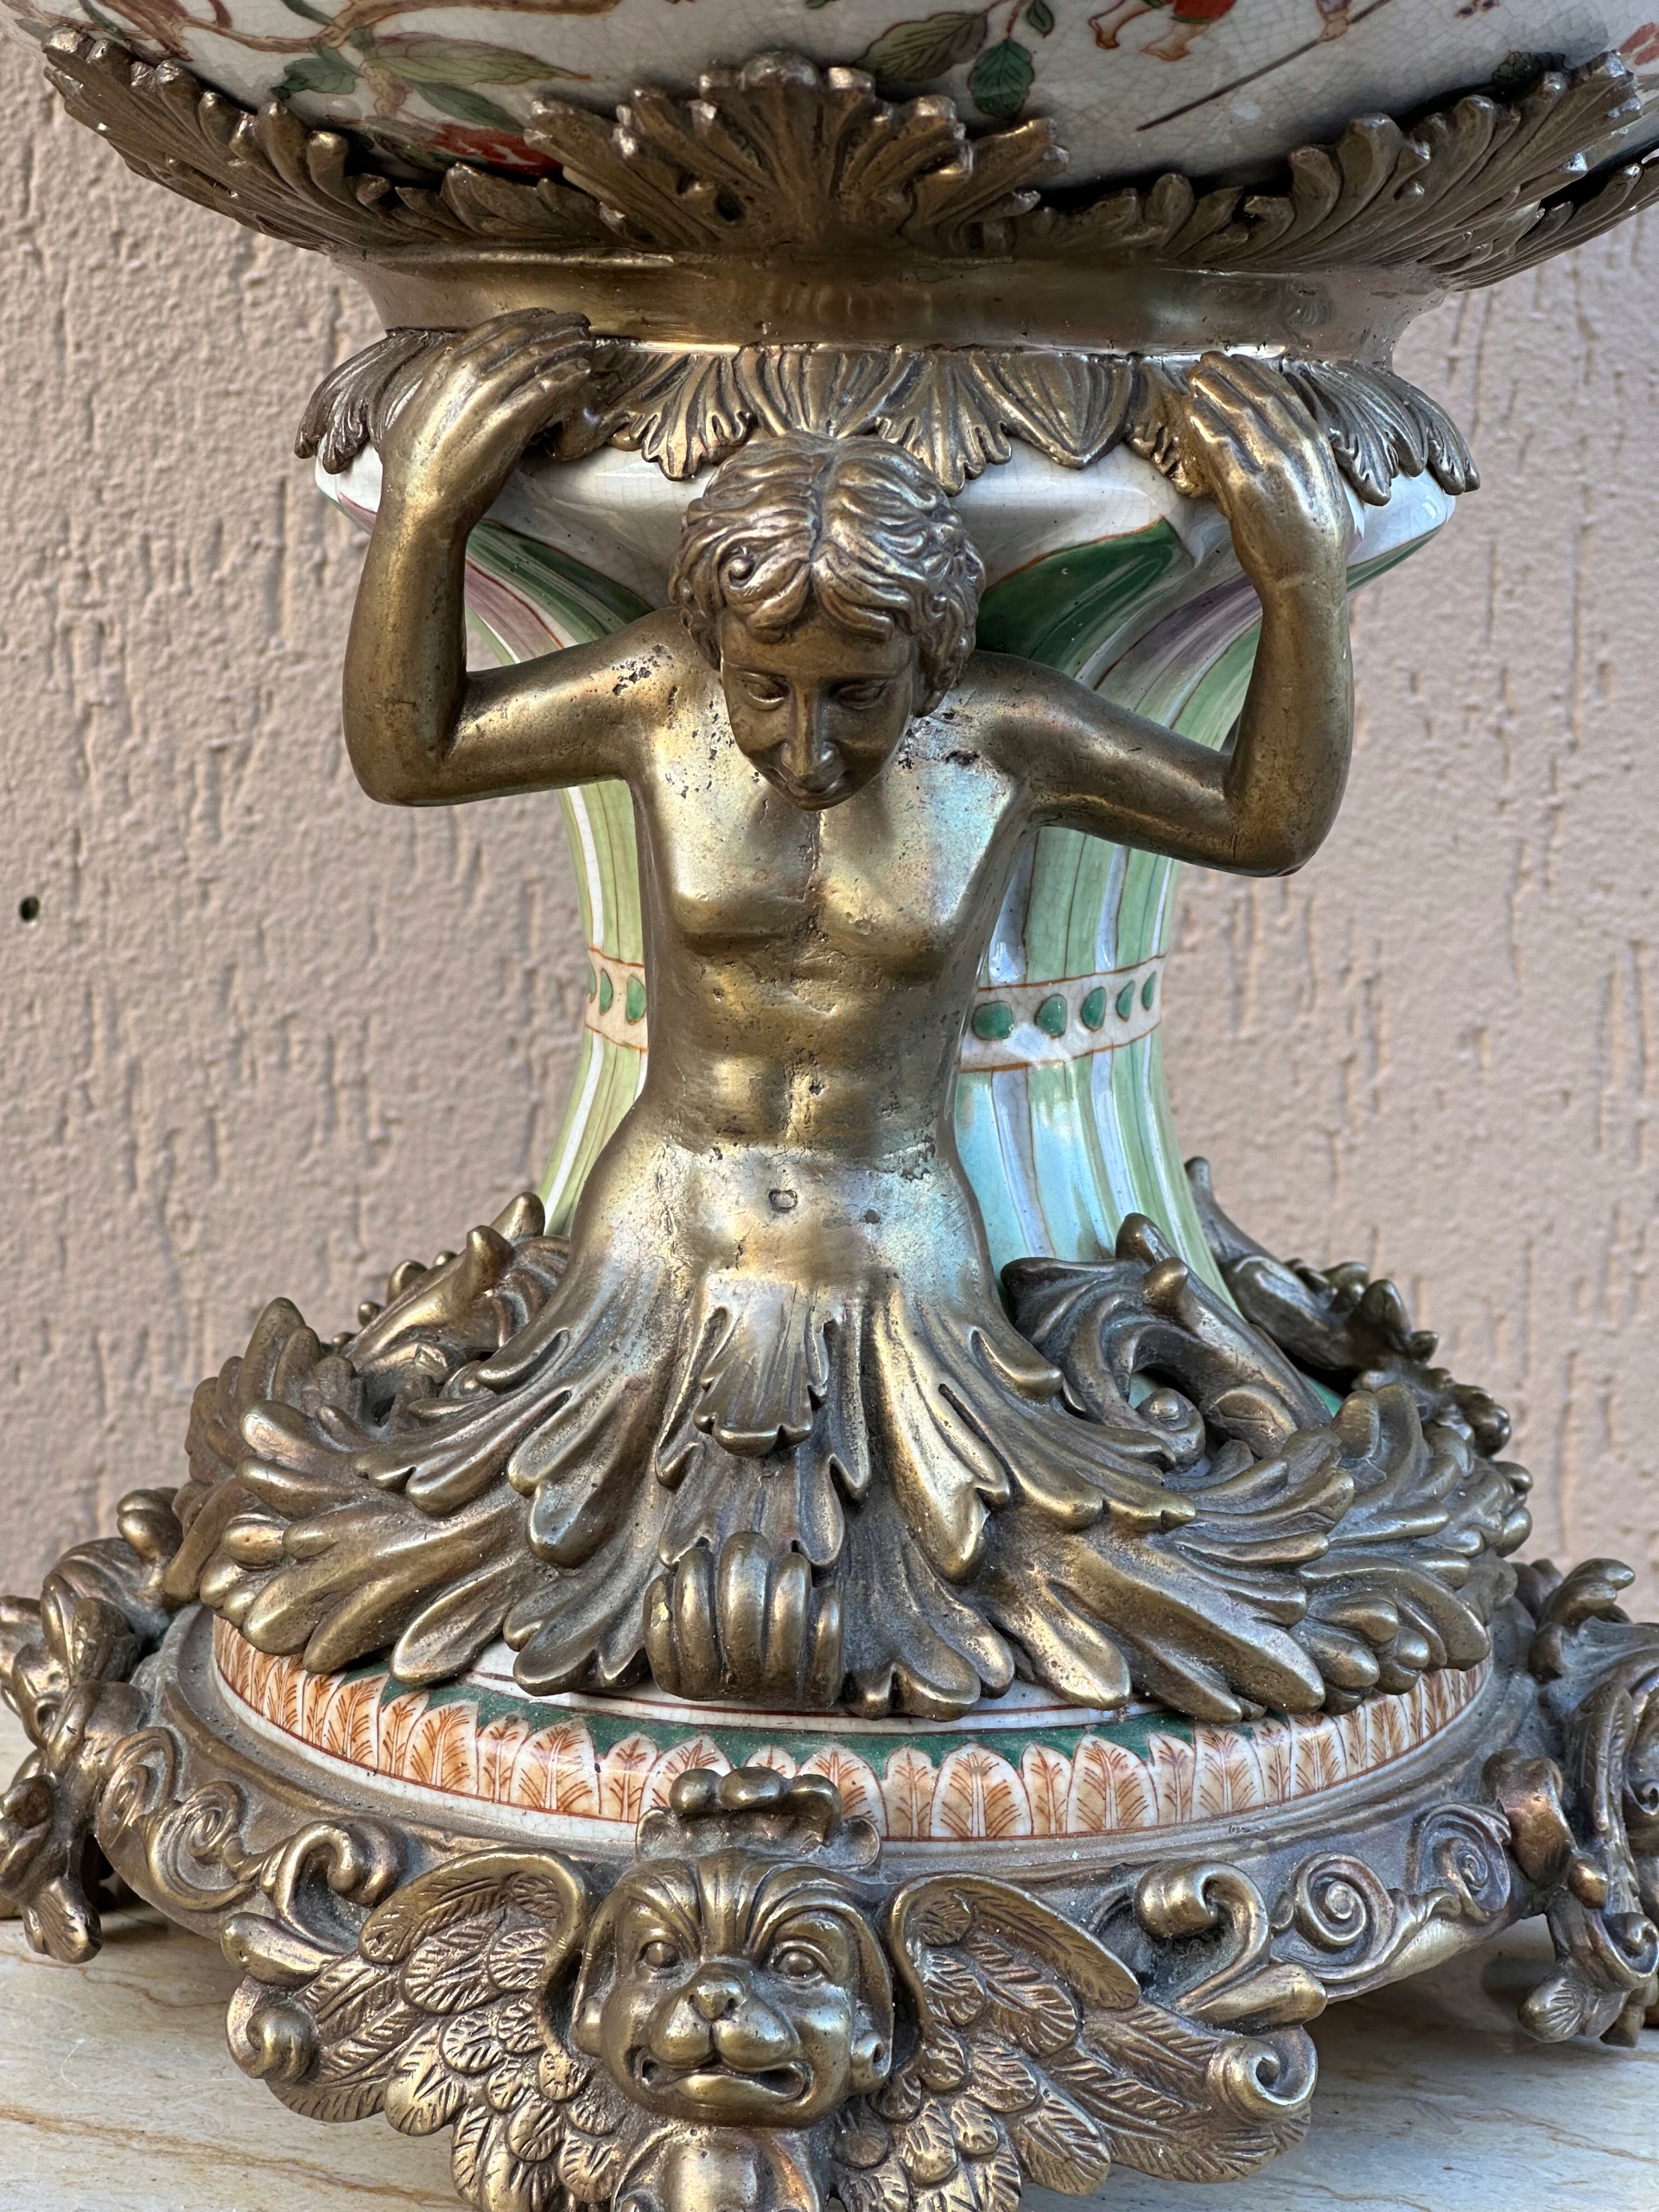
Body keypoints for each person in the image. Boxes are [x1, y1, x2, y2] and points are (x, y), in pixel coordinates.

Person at [334, 309, 1355, 1717]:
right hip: (666, 1199)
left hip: (895, 1221)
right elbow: (413, 748)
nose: (806, 744)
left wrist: (1301, 577)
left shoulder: (1003, 737)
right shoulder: (656, 698)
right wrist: (426, 511)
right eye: (766, 688)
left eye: (858, 698)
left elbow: (1261, 819)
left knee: (980, 1568)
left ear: (934, 658)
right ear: (711, 639)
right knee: (539, 1535)